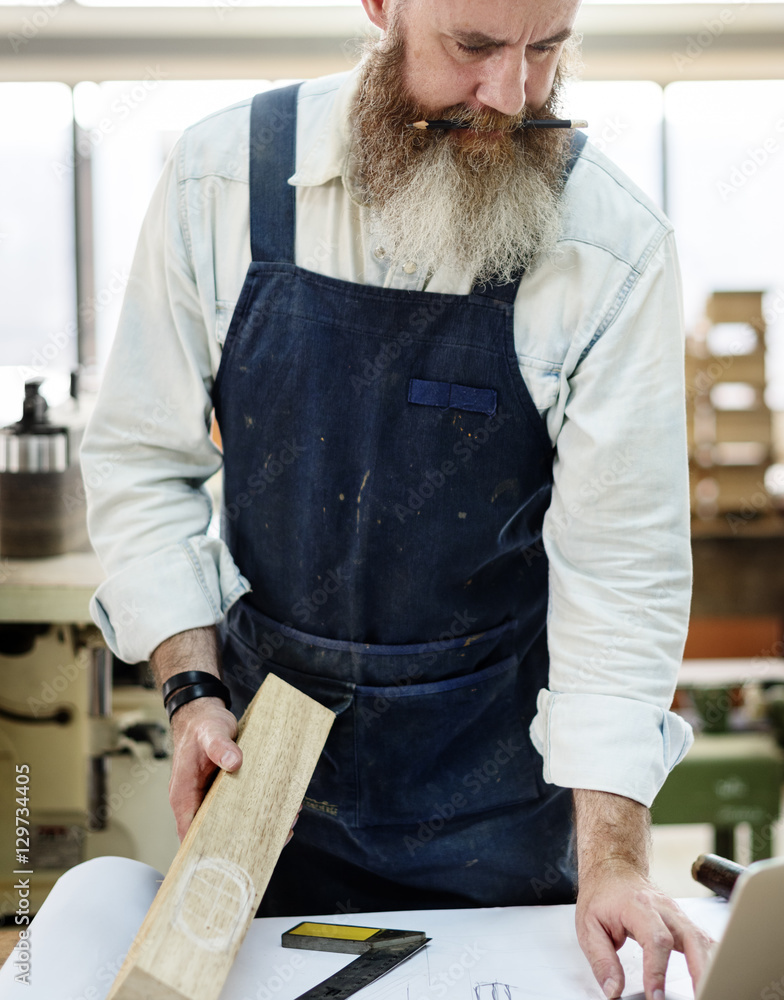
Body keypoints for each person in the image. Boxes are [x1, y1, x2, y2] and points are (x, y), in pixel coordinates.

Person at [80, 0, 714, 996]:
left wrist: (616, 858)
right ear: (381, 7)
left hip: (496, 789)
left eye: (546, 50)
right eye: (472, 48)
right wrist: (192, 693)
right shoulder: (220, 185)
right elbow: (141, 465)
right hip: (267, 772)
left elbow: (618, 571)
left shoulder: (609, 245)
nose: (512, 95)